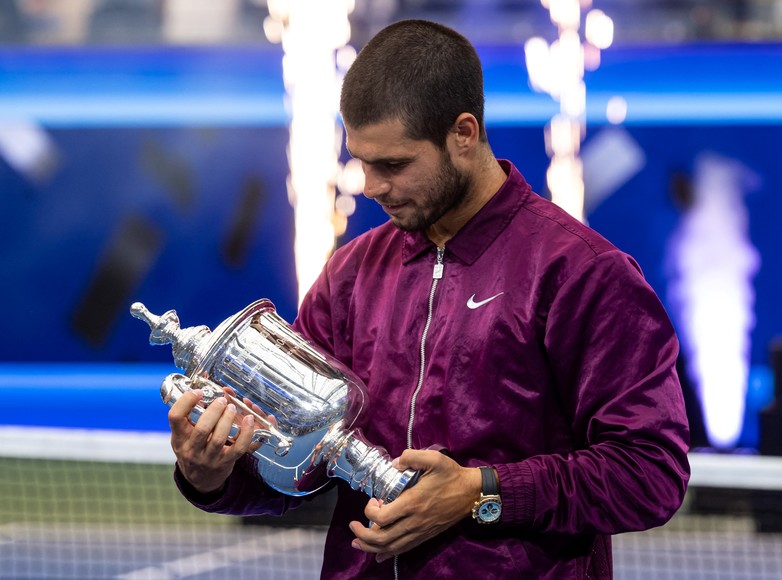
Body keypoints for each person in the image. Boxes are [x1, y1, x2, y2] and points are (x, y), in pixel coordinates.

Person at [167, 19, 691, 579]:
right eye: (362, 162)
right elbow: (300, 473)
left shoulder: (581, 273)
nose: (371, 186)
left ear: (464, 133)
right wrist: (212, 476)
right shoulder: (350, 275)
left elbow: (650, 473)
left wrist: (479, 492)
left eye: (393, 164)